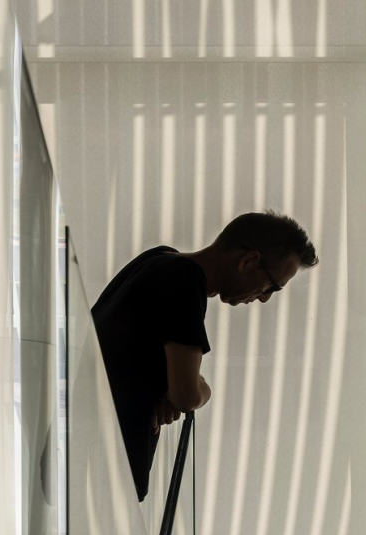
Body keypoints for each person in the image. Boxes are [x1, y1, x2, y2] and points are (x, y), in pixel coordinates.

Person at [92, 210, 318, 500]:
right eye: (272, 286)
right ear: (249, 261)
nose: (264, 298)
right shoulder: (184, 281)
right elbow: (187, 396)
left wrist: (166, 390)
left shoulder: (157, 259)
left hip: (92, 456)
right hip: (109, 472)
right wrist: (203, 389)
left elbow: (134, 359)